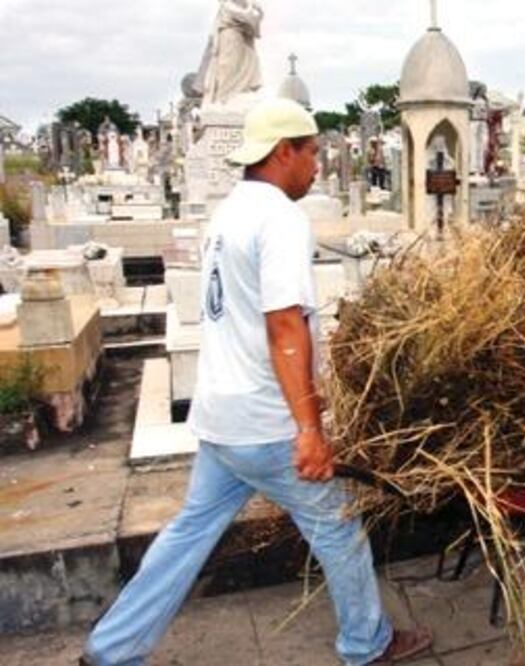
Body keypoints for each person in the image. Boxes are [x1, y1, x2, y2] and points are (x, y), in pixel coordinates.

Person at [81, 98, 432, 666]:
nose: (318, 165)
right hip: (267, 421)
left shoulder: (228, 213)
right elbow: (285, 325)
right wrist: (309, 428)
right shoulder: (279, 217)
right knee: (339, 529)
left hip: (220, 417)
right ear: (282, 151)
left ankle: (111, 648)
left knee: (188, 534)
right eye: (312, 152)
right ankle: (368, 645)